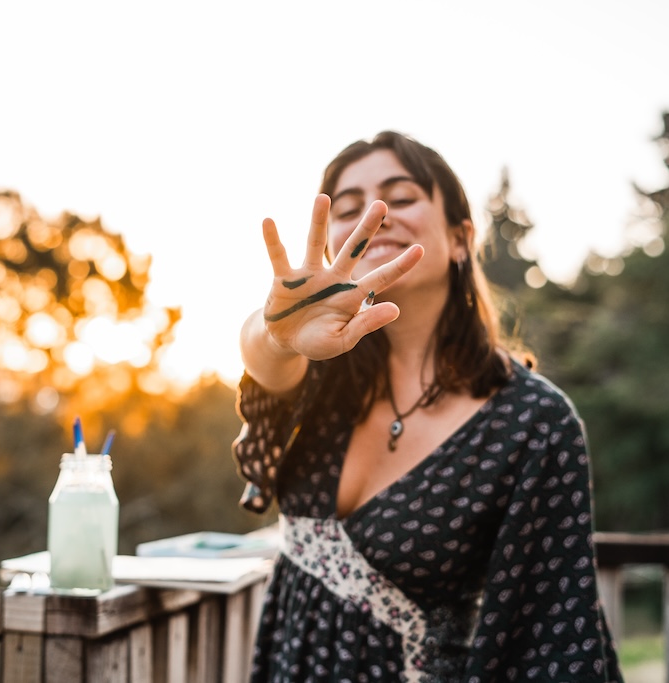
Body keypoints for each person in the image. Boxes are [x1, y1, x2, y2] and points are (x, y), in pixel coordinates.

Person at [232, 131, 623, 682]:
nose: (376, 214)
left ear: (461, 238)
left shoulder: (533, 423)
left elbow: (552, 633)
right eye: (350, 207)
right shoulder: (319, 376)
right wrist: (278, 335)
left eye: (402, 196)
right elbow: (264, 363)